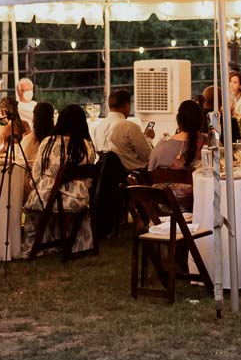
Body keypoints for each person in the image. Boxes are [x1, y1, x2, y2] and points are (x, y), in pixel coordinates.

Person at [22, 103, 97, 257]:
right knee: (57, 207)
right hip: (78, 199)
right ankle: (70, 243)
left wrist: (33, 187)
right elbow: (89, 180)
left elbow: (36, 175)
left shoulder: (49, 142)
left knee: (37, 204)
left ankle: (44, 245)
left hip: (48, 198)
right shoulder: (87, 146)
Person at [94, 88, 152, 172]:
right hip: (131, 177)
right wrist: (148, 139)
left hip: (105, 178)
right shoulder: (130, 127)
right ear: (126, 105)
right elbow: (147, 156)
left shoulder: (99, 127)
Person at [20, 101, 55, 166]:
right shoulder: (57, 141)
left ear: (34, 118)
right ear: (52, 119)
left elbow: (21, 162)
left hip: (30, 175)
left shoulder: (26, 141)